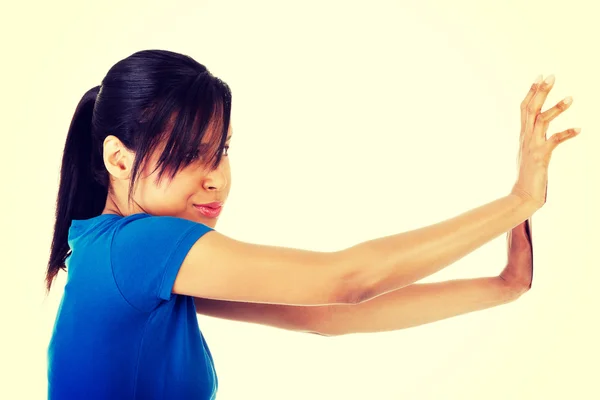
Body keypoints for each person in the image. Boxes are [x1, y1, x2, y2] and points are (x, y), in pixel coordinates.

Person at [45, 49, 580, 400]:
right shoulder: (138, 246)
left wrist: (503, 286)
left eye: (222, 151)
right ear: (118, 160)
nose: (216, 179)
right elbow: (346, 280)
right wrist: (519, 200)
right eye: (191, 154)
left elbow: (325, 315)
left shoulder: (119, 259)